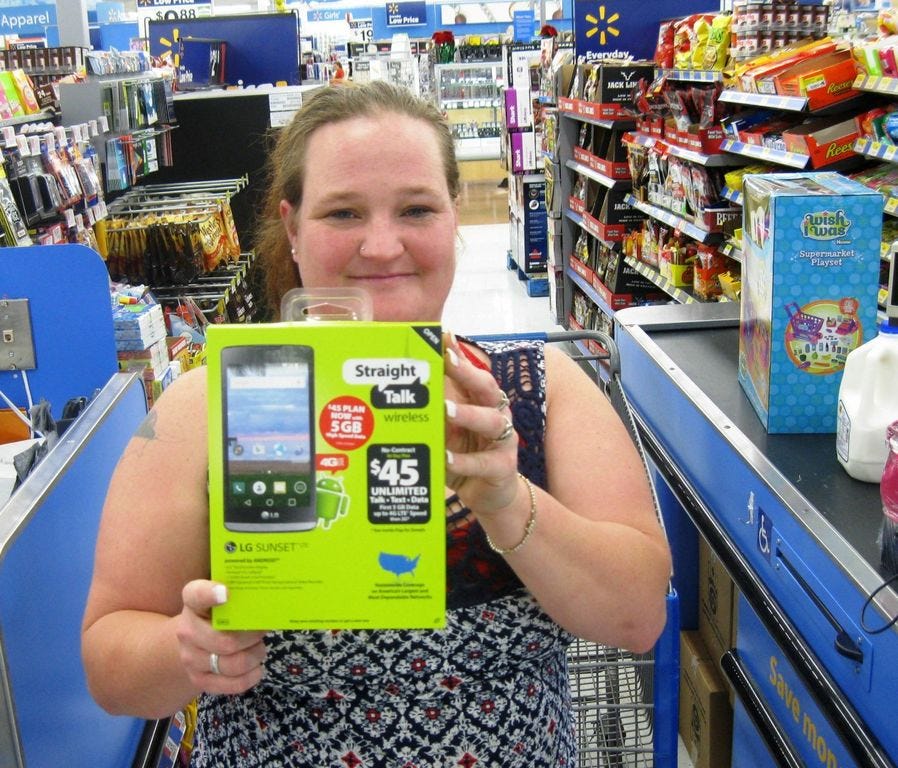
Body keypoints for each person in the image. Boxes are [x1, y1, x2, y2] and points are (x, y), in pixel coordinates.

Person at [81, 80, 672, 766]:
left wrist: (511, 505)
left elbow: (639, 618)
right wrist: (185, 650)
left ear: (455, 216)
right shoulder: (211, 406)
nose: (383, 246)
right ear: (293, 229)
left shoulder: (540, 391)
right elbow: (108, 661)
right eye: (343, 214)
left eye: (416, 208)